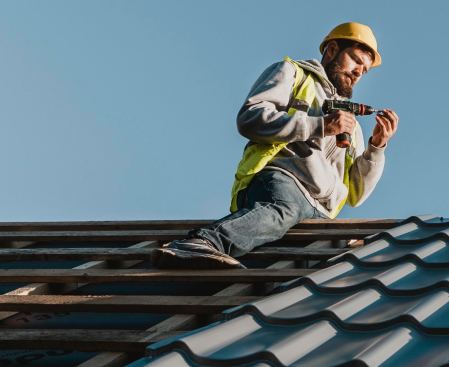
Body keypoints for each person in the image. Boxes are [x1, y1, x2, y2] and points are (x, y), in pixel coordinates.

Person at [150, 22, 398, 269]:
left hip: (320, 213)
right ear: (332, 50)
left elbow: (356, 195)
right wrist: (320, 125)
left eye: (364, 70)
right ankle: (201, 242)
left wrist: (376, 148)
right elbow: (250, 118)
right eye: (355, 60)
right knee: (283, 209)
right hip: (284, 183)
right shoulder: (293, 74)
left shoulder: (351, 125)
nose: (358, 72)